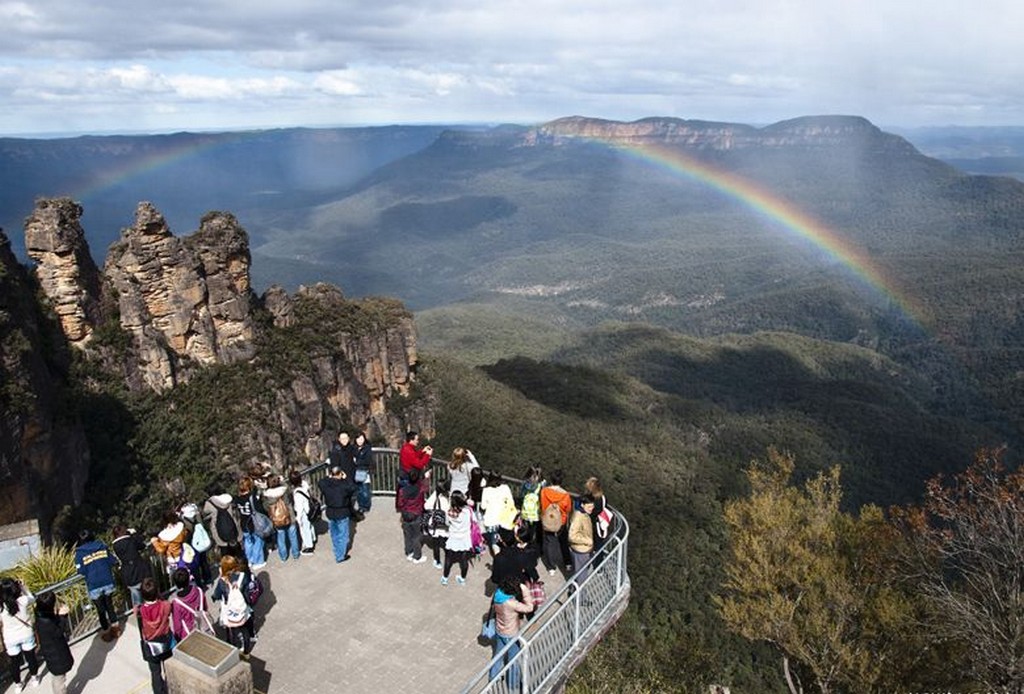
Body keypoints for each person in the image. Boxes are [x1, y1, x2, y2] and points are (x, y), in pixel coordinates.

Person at [74, 529, 121, 641]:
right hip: (107, 580)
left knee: (100, 610)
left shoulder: (80, 553)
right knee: (110, 606)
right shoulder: (102, 546)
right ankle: (116, 629)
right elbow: (112, 560)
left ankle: (106, 632)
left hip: (94, 584)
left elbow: (80, 571)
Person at [489, 577, 535, 687]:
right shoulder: (511, 603)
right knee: (513, 659)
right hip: (511, 634)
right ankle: (512, 683)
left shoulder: (498, 595)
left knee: (498, 655)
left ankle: (493, 678)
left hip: (500, 630)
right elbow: (529, 607)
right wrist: (525, 591)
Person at [212, 555, 257, 655]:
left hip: (230, 609)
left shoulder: (222, 581)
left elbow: (217, 594)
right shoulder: (243, 576)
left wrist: (214, 597)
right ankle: (246, 652)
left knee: (231, 630)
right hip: (242, 607)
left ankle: (233, 650)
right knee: (244, 629)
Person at [1, 578, 40, 689]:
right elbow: (32, 598)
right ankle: (34, 678)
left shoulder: (1, 607)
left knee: (14, 663)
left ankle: (18, 684)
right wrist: (24, 588)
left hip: (10, 638)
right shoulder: (23, 600)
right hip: (26, 633)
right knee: (31, 657)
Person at [136, 577, 172, 694]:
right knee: (169, 669)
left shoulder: (139, 610)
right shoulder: (165, 605)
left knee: (155, 673)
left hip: (151, 647)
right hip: (166, 641)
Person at [34, 591, 73, 694]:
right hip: (57, 656)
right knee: (59, 682)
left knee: (57, 679)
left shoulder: (39, 616)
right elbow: (59, 632)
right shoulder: (48, 623)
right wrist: (63, 617)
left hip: (51, 655)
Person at [318, 464, 357, 563]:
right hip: (342, 512)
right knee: (343, 535)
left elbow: (320, 482)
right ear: (340, 474)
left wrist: (329, 477)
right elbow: (352, 487)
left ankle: (337, 550)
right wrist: (345, 478)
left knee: (334, 534)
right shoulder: (344, 485)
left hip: (331, 512)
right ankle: (340, 556)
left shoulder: (326, 485)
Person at [539, 470, 573, 576]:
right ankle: (567, 563)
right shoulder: (565, 495)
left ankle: (551, 567)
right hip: (561, 521)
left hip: (547, 520)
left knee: (549, 543)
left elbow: (542, 504)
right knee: (563, 542)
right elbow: (568, 509)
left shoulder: (544, 491)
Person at [112, 524, 154, 607]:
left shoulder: (115, 546)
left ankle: (139, 616)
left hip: (128, 573)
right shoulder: (130, 540)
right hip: (141, 570)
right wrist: (134, 534)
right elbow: (142, 545)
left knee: (137, 599)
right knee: (148, 592)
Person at [490, 524, 540, 590]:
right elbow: (530, 568)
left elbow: (495, 579)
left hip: (506, 587)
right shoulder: (522, 554)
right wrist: (535, 578)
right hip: (520, 584)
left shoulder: (498, 557)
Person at [396, 467, 429, 563]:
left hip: (406, 514)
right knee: (416, 536)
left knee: (407, 534)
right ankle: (417, 556)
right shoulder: (420, 488)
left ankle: (409, 552)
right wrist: (427, 478)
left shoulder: (402, 490)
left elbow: (400, 504)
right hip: (416, 513)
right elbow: (426, 487)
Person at [263, 475, 300, 562]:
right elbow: (291, 494)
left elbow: (265, 507)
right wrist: (283, 481)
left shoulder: (266, 495)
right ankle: (295, 554)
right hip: (289, 515)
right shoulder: (285, 490)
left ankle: (283, 556)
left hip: (276, 519)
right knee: (293, 535)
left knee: (281, 537)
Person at [170, 568, 213, 640]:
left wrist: (177, 637)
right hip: (204, 628)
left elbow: (177, 625)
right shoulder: (199, 590)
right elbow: (205, 608)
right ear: (188, 579)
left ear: (176, 584)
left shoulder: (176, 603)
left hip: (189, 635)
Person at [480, 471, 518, 553]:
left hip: (492, 519)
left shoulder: (486, 490)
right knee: (505, 539)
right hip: (505, 519)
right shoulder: (506, 487)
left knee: (495, 541)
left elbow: (483, 506)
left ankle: (498, 558)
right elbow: (511, 502)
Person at [441, 490, 473, 586]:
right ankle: (462, 579)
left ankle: (445, 578)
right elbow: (472, 521)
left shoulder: (449, 512)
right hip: (464, 538)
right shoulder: (467, 511)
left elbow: (447, 523)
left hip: (453, 537)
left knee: (448, 559)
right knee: (464, 560)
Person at [234, 476, 266, 570]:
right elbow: (259, 509)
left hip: (244, 523)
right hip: (254, 523)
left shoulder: (237, 499)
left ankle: (249, 560)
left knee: (248, 542)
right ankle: (258, 561)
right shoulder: (251, 497)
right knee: (258, 541)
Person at [151, 511, 192, 579]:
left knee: (179, 577)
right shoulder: (180, 527)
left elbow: (161, 549)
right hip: (184, 553)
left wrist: (154, 542)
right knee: (188, 573)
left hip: (173, 558)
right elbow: (186, 534)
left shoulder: (164, 535)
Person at [203, 491, 242, 558]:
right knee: (237, 552)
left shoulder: (210, 504)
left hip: (219, 534)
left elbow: (205, 511)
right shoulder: (228, 505)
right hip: (233, 533)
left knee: (225, 553)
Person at [568, 494, 597, 583]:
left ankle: (575, 591)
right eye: (589, 506)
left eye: (592, 506)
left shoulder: (584, 513)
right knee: (581, 576)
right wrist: (587, 541)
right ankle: (580, 596)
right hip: (580, 550)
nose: (591, 508)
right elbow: (572, 536)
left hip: (584, 549)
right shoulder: (578, 517)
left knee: (580, 573)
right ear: (582, 505)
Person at [423, 479, 451, 569]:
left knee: (436, 544)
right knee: (446, 542)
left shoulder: (435, 496)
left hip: (435, 524)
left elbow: (426, 506)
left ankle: (437, 561)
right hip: (445, 523)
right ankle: (448, 559)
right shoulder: (449, 496)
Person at [289, 470, 316, 555]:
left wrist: (298, 518)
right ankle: (313, 539)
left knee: (305, 529)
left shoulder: (297, 493)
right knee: (310, 526)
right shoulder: (304, 484)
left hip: (304, 513)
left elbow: (300, 508)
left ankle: (309, 547)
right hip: (309, 509)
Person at [585, 476, 612, 562]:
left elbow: (591, 513)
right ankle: (598, 566)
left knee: (591, 545)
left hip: (592, 525)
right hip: (599, 525)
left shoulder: (589, 498)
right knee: (599, 545)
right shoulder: (603, 498)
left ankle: (589, 562)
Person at [519, 466, 544, 546]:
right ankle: (532, 545)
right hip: (535, 513)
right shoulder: (540, 486)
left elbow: (521, 495)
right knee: (534, 531)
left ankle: (523, 543)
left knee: (525, 530)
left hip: (525, 512)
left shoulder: (524, 484)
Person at [353, 431, 374, 513]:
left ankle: (366, 506)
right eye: (358, 439)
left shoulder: (367, 449)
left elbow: (367, 461)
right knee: (358, 490)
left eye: (361, 439)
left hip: (363, 471)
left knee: (365, 490)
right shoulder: (354, 448)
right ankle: (361, 506)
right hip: (355, 472)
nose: (360, 440)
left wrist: (356, 461)